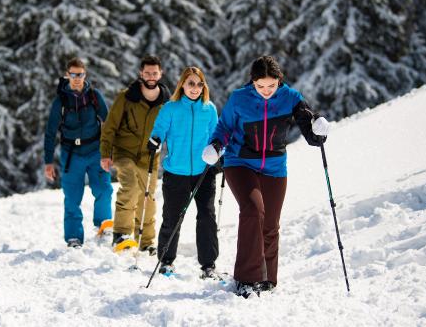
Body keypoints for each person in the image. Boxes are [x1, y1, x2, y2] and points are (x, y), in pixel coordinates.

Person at [202, 55, 330, 298]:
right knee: (252, 209)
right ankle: (246, 279)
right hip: (240, 162)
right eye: (260, 86)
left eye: (271, 85)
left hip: (274, 167)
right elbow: (224, 127)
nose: (266, 91)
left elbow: (309, 126)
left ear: (279, 81)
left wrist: (318, 131)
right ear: (252, 82)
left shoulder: (290, 97)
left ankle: (268, 279)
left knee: (270, 225)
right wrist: (216, 145)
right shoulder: (240, 98)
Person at [147, 66, 220, 279]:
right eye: (191, 83)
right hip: (175, 172)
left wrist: (218, 152)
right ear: (182, 85)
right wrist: (155, 140)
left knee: (207, 216)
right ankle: (166, 261)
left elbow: (216, 136)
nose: (195, 88)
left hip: (203, 172)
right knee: (172, 216)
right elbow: (158, 130)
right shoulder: (171, 108)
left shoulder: (209, 109)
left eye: (199, 84)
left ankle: (209, 265)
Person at [100, 55, 170, 255]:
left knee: (148, 198)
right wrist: (106, 153)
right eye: (147, 72)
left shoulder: (166, 102)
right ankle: (121, 234)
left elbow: (172, 130)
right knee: (130, 186)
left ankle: (146, 242)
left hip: (150, 157)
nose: (150, 76)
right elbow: (110, 127)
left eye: (154, 73)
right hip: (125, 152)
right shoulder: (127, 97)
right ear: (141, 73)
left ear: (160, 73)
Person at [44, 57, 113, 248]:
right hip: (71, 154)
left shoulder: (94, 95)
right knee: (72, 197)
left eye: (80, 74)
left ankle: (104, 226)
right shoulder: (61, 101)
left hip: (95, 151)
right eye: (72, 74)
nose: (76, 78)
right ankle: (74, 237)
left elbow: (109, 123)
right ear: (67, 75)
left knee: (104, 189)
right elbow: (50, 132)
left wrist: (109, 152)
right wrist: (48, 161)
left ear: (85, 75)